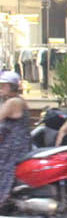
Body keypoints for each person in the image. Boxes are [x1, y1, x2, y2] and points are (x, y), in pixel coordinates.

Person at [0, 71, 31, 204]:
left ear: (12, 87)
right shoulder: (18, 100)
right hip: (17, 143)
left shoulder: (13, 102)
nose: (1, 89)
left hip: (13, 146)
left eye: (3, 86)